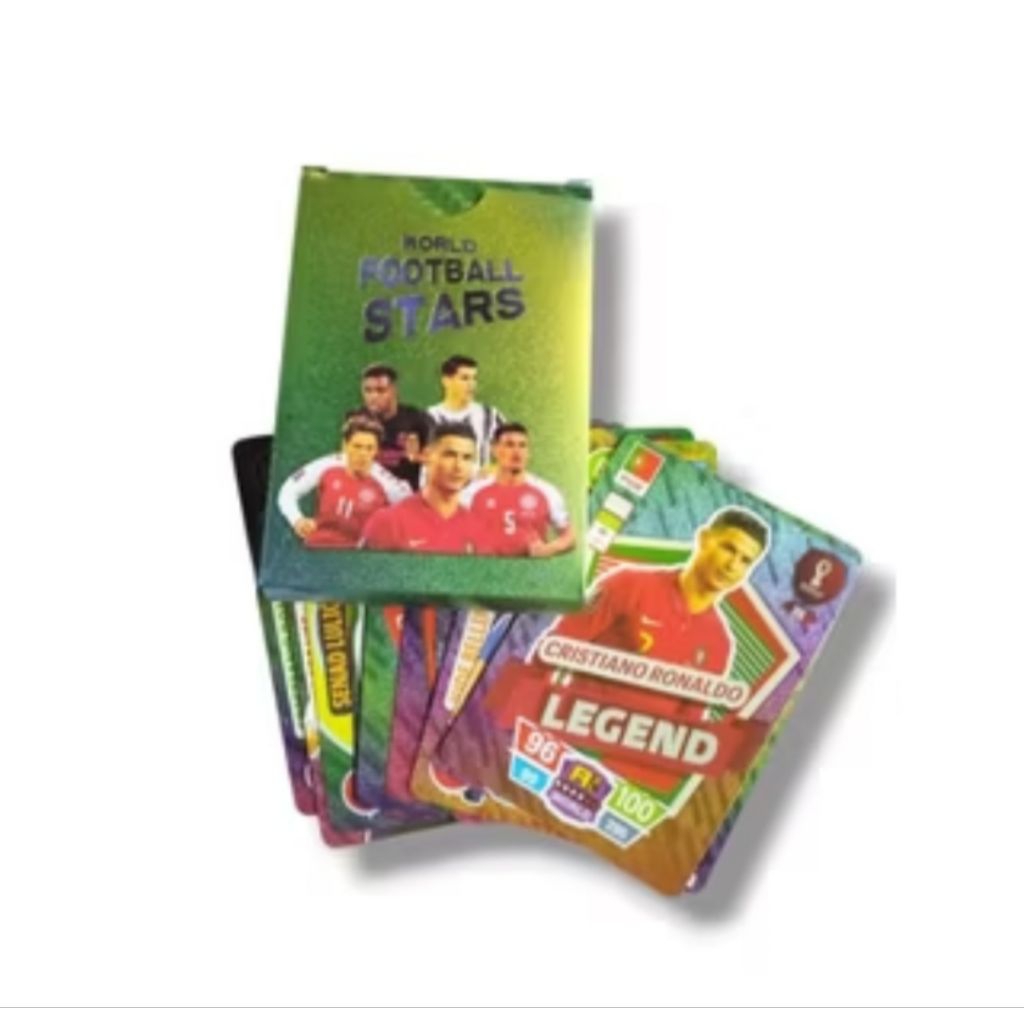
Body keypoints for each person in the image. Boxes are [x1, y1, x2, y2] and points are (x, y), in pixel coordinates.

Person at [554, 507, 770, 674]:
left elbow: (690, 715)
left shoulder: (719, 642)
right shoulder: (628, 584)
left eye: (745, 561)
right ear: (704, 539)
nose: (732, 565)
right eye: (728, 548)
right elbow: (555, 647)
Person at [277, 415, 411, 548]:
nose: (363, 453)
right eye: (357, 446)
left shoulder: (385, 482)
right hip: (316, 548)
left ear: (376, 450)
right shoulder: (327, 465)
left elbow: (412, 512)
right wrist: (297, 520)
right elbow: (288, 491)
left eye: (369, 448)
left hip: (354, 556)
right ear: (345, 445)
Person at [360, 422, 488, 554]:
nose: (458, 466)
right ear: (427, 456)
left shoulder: (478, 529)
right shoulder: (388, 522)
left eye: (467, 458)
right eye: (449, 455)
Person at [460, 422, 575, 557]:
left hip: (529, 569)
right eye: (509, 445)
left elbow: (569, 537)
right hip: (485, 568)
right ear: (494, 450)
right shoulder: (472, 493)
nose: (517, 451)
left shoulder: (546, 491)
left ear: (528, 452)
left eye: (522, 445)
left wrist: (548, 549)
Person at [346, 362, 430, 490]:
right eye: (368, 390)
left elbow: (436, 459)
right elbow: (345, 458)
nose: (373, 396)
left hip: (404, 495)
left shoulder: (417, 418)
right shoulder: (356, 419)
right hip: (365, 493)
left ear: (394, 390)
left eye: (381, 390)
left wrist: (417, 457)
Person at [425, 355, 505, 470]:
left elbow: (511, 454)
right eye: (464, 378)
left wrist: (492, 470)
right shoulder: (427, 417)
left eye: (474, 378)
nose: (471, 384)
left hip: (479, 481)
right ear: (446, 381)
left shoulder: (491, 416)